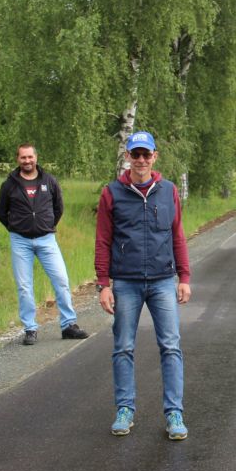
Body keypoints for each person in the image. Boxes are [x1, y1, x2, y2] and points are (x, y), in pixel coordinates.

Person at [95, 131, 192, 440]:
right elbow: (103, 240)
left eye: (145, 155)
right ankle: (125, 409)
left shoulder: (169, 191)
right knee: (123, 347)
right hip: (126, 282)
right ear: (128, 157)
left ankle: (174, 413)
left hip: (163, 280)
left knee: (171, 346)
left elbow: (177, 235)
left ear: (155, 157)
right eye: (135, 154)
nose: (140, 160)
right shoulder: (111, 193)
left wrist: (184, 277)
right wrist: (103, 283)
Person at [0, 143, 89, 345]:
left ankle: (68, 325)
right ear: (17, 159)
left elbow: (59, 207)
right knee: (24, 286)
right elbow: (1, 213)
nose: (27, 161)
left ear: (36, 157)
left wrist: (45, 225)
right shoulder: (9, 185)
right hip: (20, 241)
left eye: (30, 157)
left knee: (62, 280)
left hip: (47, 239)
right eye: (23, 158)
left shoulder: (49, 181)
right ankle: (30, 328)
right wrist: (18, 227)